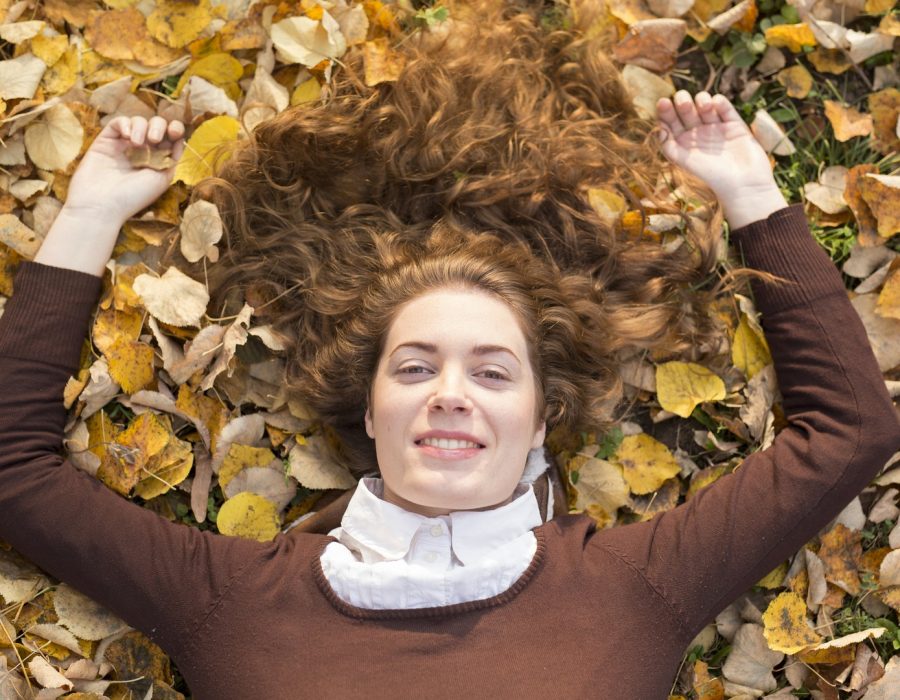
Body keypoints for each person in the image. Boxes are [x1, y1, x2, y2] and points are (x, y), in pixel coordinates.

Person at [0, 1, 898, 698]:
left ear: (541, 416)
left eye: (494, 371)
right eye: (417, 366)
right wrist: (90, 212)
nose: (452, 393)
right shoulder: (231, 597)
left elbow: (852, 429)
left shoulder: (632, 586)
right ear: (369, 405)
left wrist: (748, 192)